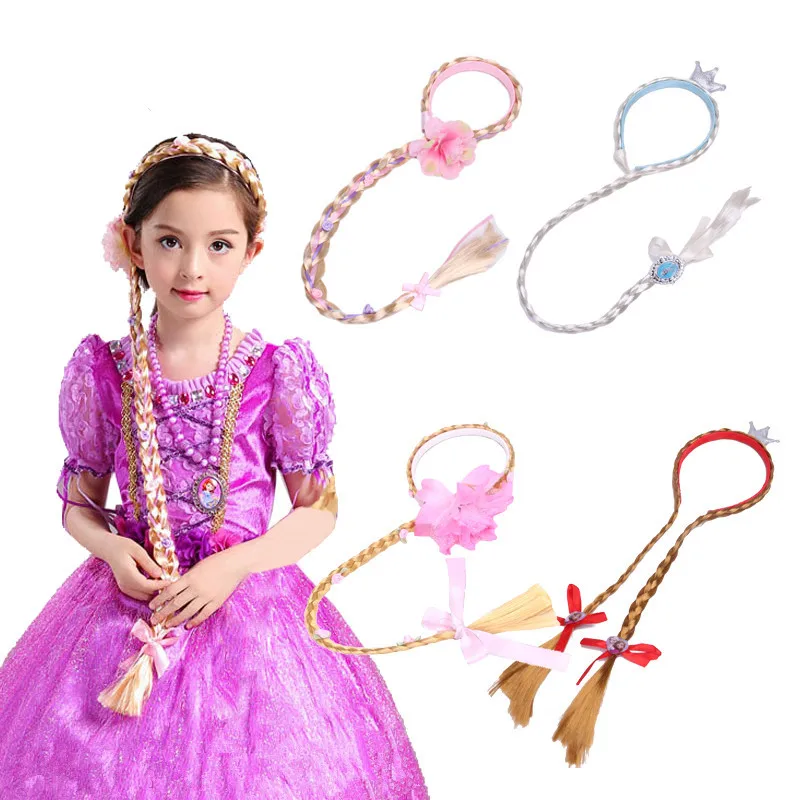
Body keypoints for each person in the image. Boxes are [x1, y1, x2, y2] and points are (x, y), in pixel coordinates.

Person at [0, 133, 429, 799]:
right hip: (128, 608)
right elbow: (79, 504)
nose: (192, 267)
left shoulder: (274, 373)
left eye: (219, 245)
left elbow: (317, 510)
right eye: (170, 241)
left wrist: (233, 566)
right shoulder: (106, 371)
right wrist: (112, 550)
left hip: (251, 615)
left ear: (251, 252)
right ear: (132, 245)